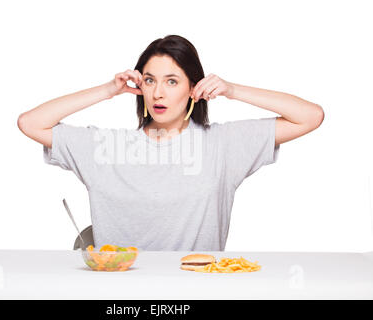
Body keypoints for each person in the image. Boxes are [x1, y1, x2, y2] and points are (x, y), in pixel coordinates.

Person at [17, 35, 324, 251]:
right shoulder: (105, 147)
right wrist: (107, 90)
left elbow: (310, 116)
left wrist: (232, 90)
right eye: (150, 80)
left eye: (172, 81)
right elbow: (30, 123)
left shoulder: (222, 145)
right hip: (120, 296)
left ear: (195, 87)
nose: (158, 93)